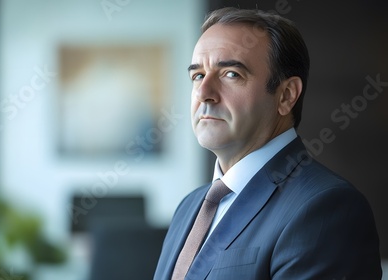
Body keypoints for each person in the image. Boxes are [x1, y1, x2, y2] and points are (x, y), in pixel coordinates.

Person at [154, 7, 382, 280]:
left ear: (286, 96)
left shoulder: (328, 208)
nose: (204, 93)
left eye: (231, 74)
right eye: (198, 75)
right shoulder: (188, 208)